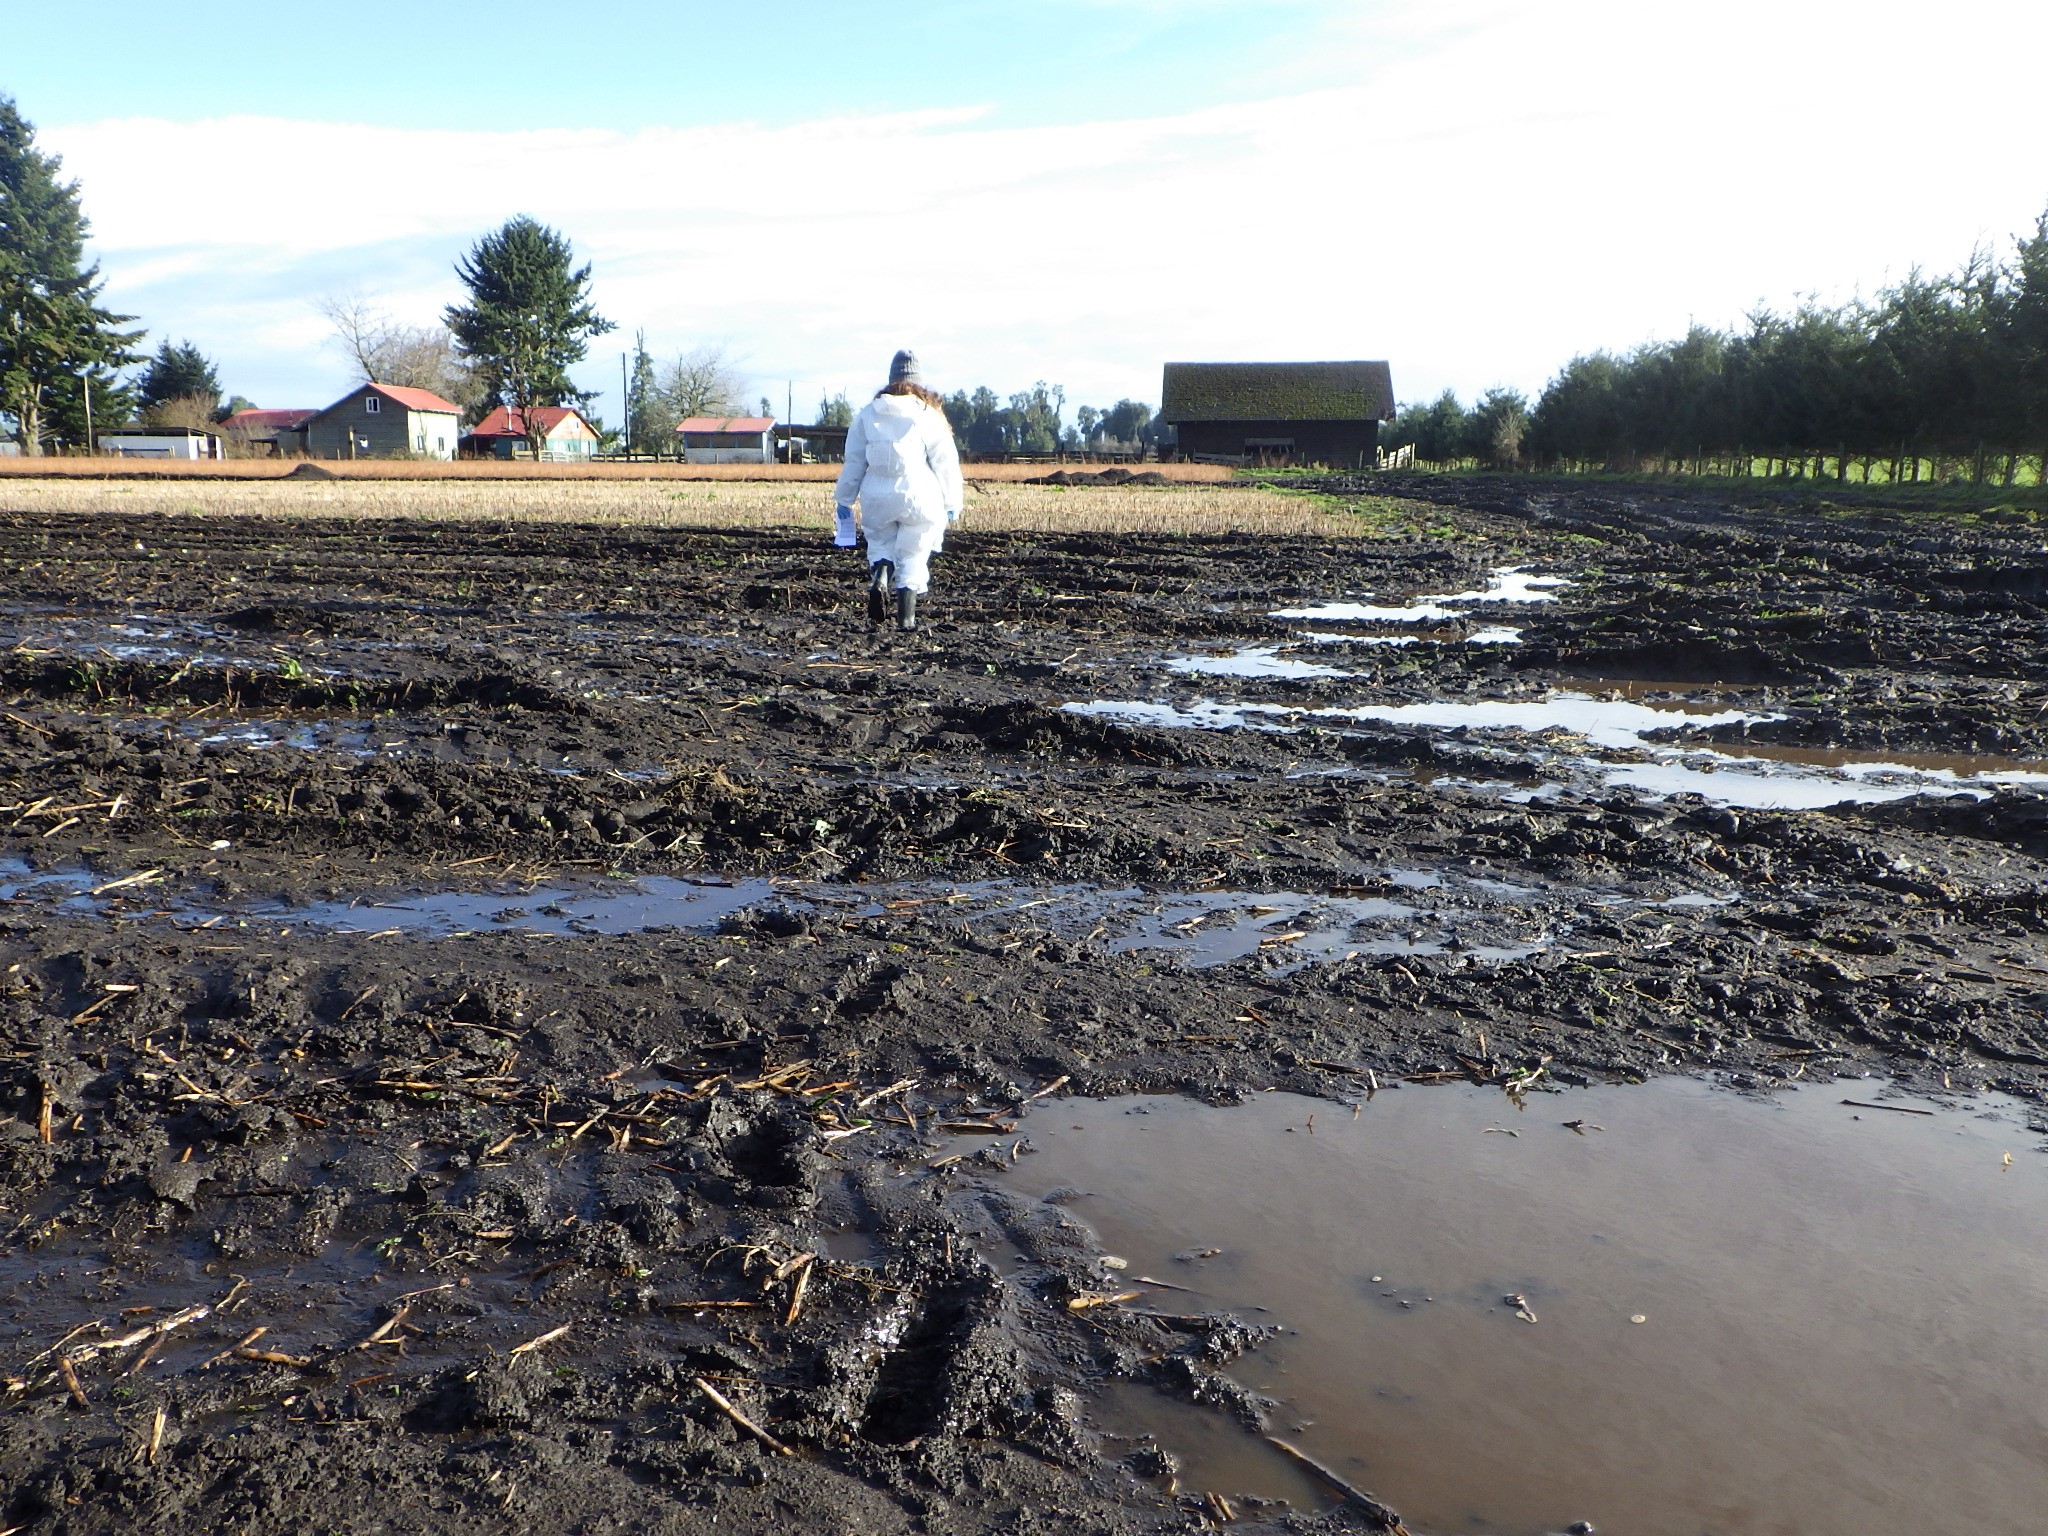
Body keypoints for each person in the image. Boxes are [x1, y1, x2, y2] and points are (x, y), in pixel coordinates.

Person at [833, 350, 963, 631]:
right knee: (914, 553)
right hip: (919, 493)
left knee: (881, 544)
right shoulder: (926, 413)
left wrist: (844, 500)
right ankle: (906, 620)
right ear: (917, 381)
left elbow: (854, 461)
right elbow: (945, 460)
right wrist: (953, 499)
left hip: (876, 494)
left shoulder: (868, 414)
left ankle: (880, 575)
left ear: (891, 379)